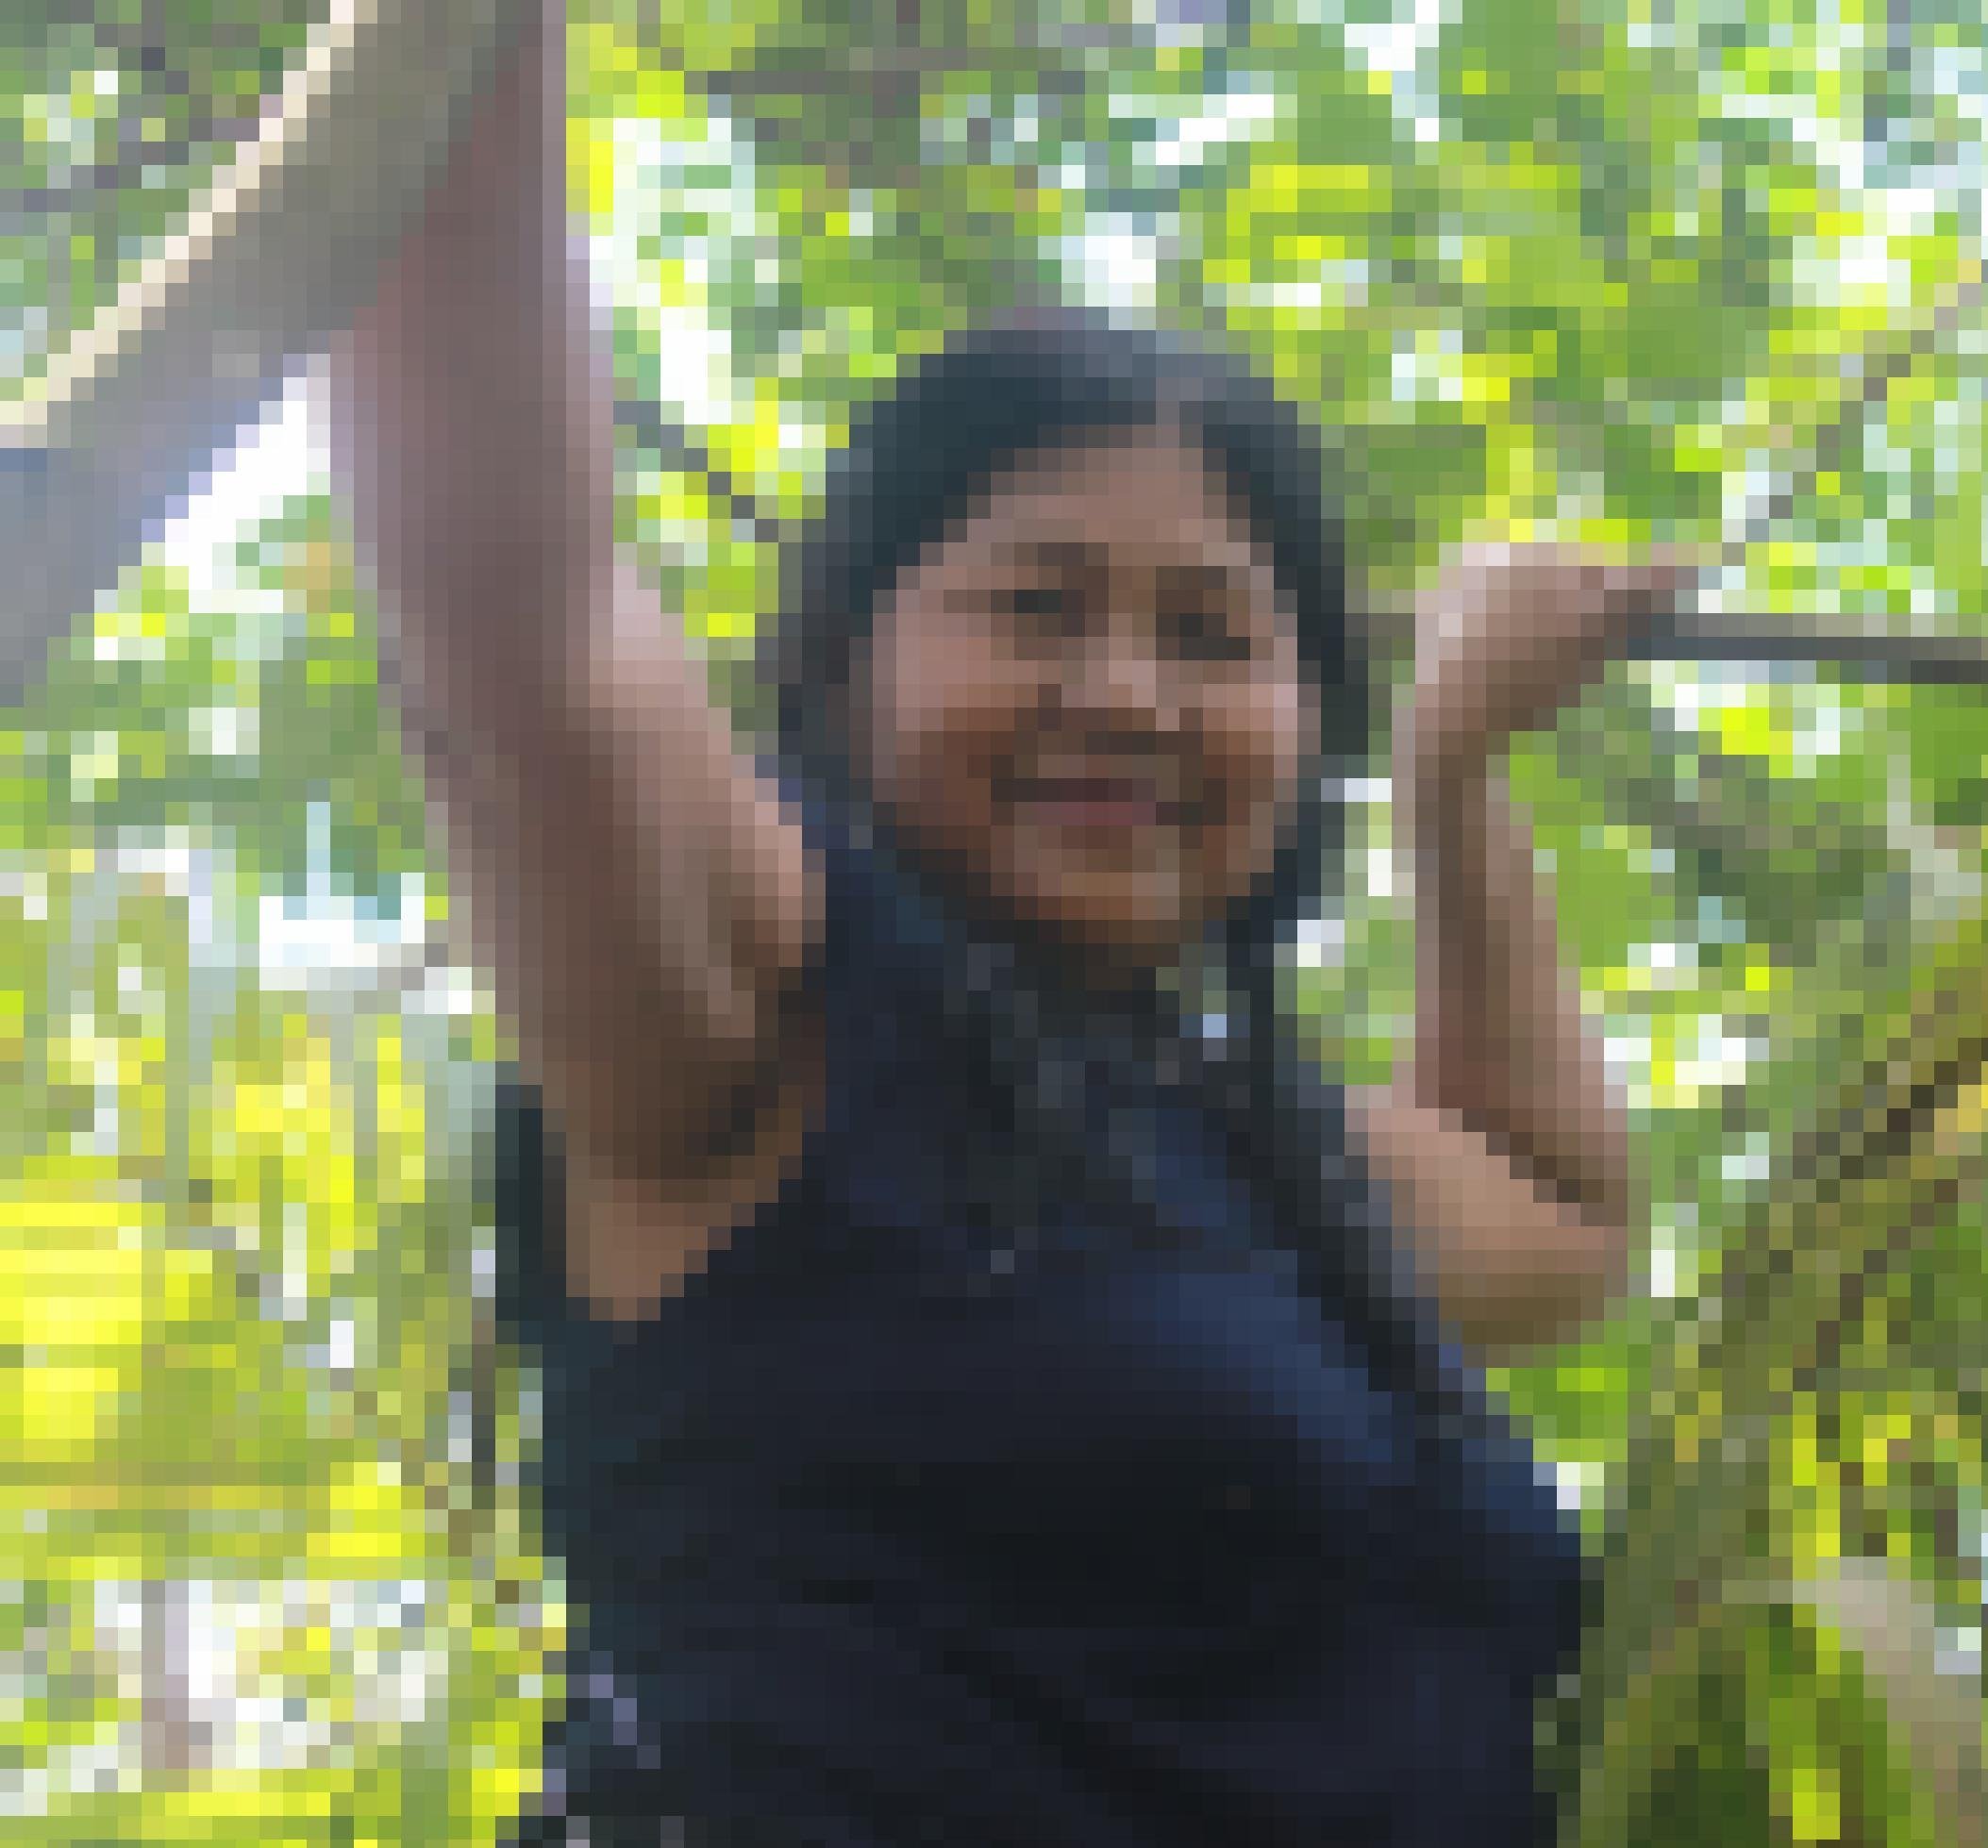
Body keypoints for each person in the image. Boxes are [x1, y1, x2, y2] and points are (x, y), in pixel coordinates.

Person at [328, 5, 1678, 1843]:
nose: (1127, 692)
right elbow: (512, 609)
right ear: (850, 660)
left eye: (1215, 634)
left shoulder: (1266, 1151)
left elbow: (1565, 1212)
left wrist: (1453, 766)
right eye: (1035, 604)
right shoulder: (761, 1003)